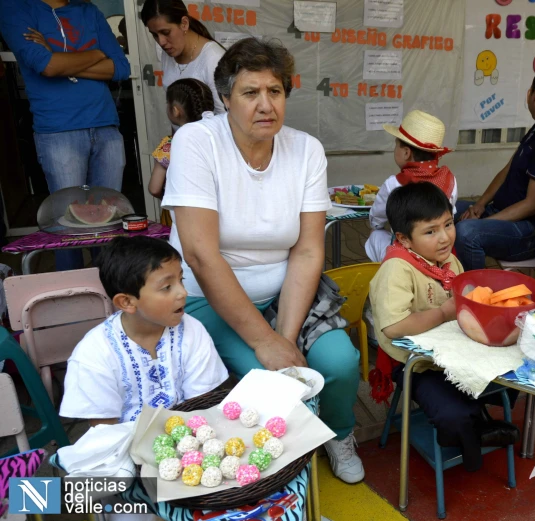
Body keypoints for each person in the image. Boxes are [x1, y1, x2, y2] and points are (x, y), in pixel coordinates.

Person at [161, 38, 364, 483]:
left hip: (286, 295)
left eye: (275, 91)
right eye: (251, 93)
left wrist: (284, 338)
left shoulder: (306, 150)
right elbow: (199, 253)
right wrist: (264, 343)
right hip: (205, 298)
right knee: (270, 382)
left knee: (340, 362)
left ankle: (337, 433)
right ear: (226, 98)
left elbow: (309, 250)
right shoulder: (197, 142)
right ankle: (279, 471)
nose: (265, 104)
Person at [369, 183, 519, 472]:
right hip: (415, 362)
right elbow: (395, 327)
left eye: (448, 225)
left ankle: (478, 421)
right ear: (404, 239)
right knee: (453, 414)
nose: (444, 237)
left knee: (509, 376)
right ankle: (472, 438)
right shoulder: (397, 269)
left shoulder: (449, 261)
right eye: (430, 231)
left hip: (452, 350)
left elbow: (464, 300)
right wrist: (442, 312)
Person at [0, 0, 131, 271]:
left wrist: (62, 60)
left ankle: (110, 289)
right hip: (59, 131)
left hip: (106, 127)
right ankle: (72, 298)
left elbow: (120, 67)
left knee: (109, 224)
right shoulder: (15, 8)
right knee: (64, 228)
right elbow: (45, 65)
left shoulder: (89, 10)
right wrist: (95, 54)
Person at [59, 236, 229, 425]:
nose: (183, 293)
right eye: (167, 287)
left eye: (182, 280)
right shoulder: (94, 353)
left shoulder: (192, 331)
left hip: (187, 439)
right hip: (123, 447)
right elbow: (103, 431)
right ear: (127, 302)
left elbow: (200, 407)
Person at [455, 65, 535, 271]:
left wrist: (487, 222)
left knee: (467, 232)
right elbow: (506, 171)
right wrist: (480, 205)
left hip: (527, 231)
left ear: (533, 94)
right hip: (500, 212)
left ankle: (474, 291)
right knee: (443, 208)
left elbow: (532, 204)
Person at [364, 110, 457, 263]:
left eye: (396, 146)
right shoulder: (449, 178)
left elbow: (376, 219)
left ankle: (385, 269)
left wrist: (378, 225)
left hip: (408, 254)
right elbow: (451, 213)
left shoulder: (393, 183)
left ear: (406, 152)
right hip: (442, 250)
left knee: (376, 234)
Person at [149, 78, 215, 226]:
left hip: (179, 215)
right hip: (213, 212)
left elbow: (154, 188)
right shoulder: (219, 138)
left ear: (175, 111)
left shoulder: (169, 145)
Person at [141, 0, 225, 114]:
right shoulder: (169, 53)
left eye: (166, 32)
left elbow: (225, 118)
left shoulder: (214, 59)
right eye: (154, 34)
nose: (161, 42)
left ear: (184, 23)